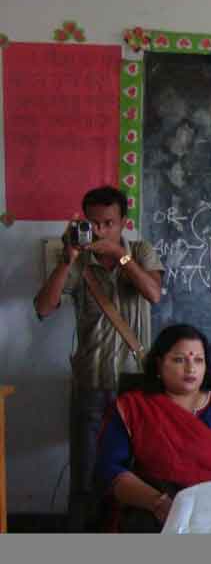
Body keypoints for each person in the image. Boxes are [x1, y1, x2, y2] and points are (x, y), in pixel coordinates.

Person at [33, 185, 164, 531]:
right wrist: (67, 260)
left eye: (109, 223)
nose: (101, 230)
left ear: (123, 223)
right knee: (87, 478)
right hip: (92, 382)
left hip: (137, 384)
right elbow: (43, 308)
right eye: (93, 223)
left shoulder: (140, 251)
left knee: (138, 475)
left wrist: (121, 256)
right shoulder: (79, 260)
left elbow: (153, 294)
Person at [95, 324, 211, 532]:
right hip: (150, 507)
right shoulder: (133, 407)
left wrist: (208, 502)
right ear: (159, 364)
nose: (191, 368)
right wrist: (159, 503)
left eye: (198, 360)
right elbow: (110, 469)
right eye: (179, 360)